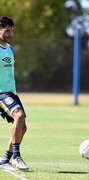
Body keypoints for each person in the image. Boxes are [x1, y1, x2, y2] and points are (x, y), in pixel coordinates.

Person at [0, 16, 29, 171]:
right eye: (6, 30)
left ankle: (5, 160)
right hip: (0, 94)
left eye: (11, 30)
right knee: (19, 115)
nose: (10, 33)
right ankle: (17, 157)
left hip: (11, 93)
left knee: (22, 128)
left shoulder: (10, 49)